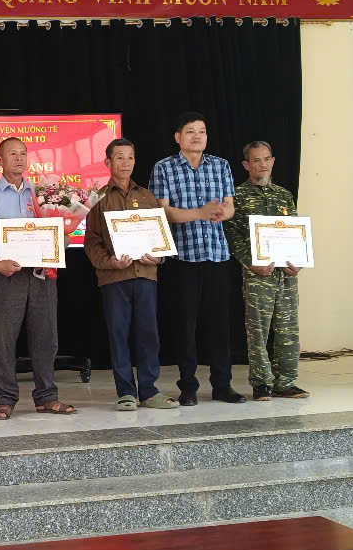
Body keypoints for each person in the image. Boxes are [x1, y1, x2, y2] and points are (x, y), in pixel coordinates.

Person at [0, 137, 76, 420]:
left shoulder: (43, 195)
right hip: (6, 276)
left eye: (23, 154)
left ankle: (46, 396)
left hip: (42, 275)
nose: (19, 159)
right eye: (12, 154)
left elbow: (56, 232)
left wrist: (61, 238)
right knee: (6, 339)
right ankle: (5, 399)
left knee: (46, 336)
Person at [150, 112, 246, 406]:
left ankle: (222, 385)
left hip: (217, 254)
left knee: (220, 325)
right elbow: (163, 211)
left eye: (202, 131)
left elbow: (230, 206)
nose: (197, 136)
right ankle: (188, 387)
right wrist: (199, 213)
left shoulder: (221, 165)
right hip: (183, 258)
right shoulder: (164, 168)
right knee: (185, 325)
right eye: (190, 131)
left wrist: (222, 213)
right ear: (178, 137)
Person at [84, 138, 177, 411]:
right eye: (119, 157)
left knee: (149, 334)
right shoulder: (97, 197)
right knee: (119, 335)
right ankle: (126, 392)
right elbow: (92, 241)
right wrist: (109, 262)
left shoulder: (147, 196)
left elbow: (160, 235)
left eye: (130, 157)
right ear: (108, 162)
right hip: (114, 278)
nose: (126, 163)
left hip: (146, 274)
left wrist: (159, 256)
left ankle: (149, 391)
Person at [223, 141, 309, 401]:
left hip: (286, 273)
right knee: (258, 330)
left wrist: (300, 261)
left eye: (266, 159)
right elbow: (232, 235)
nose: (262, 164)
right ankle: (261, 383)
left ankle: (286, 382)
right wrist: (251, 263)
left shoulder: (284, 195)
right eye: (256, 160)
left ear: (273, 161)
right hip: (258, 274)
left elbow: (296, 231)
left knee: (288, 328)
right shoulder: (237, 195)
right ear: (246, 165)